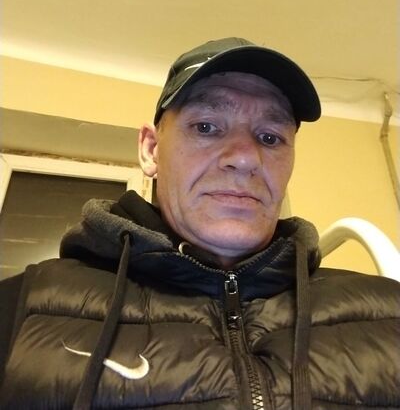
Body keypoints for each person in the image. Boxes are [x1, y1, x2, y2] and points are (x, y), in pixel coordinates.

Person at [0, 37, 399, 410]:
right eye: (206, 126)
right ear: (151, 150)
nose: (245, 158)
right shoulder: (23, 307)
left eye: (270, 137)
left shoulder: (389, 311)